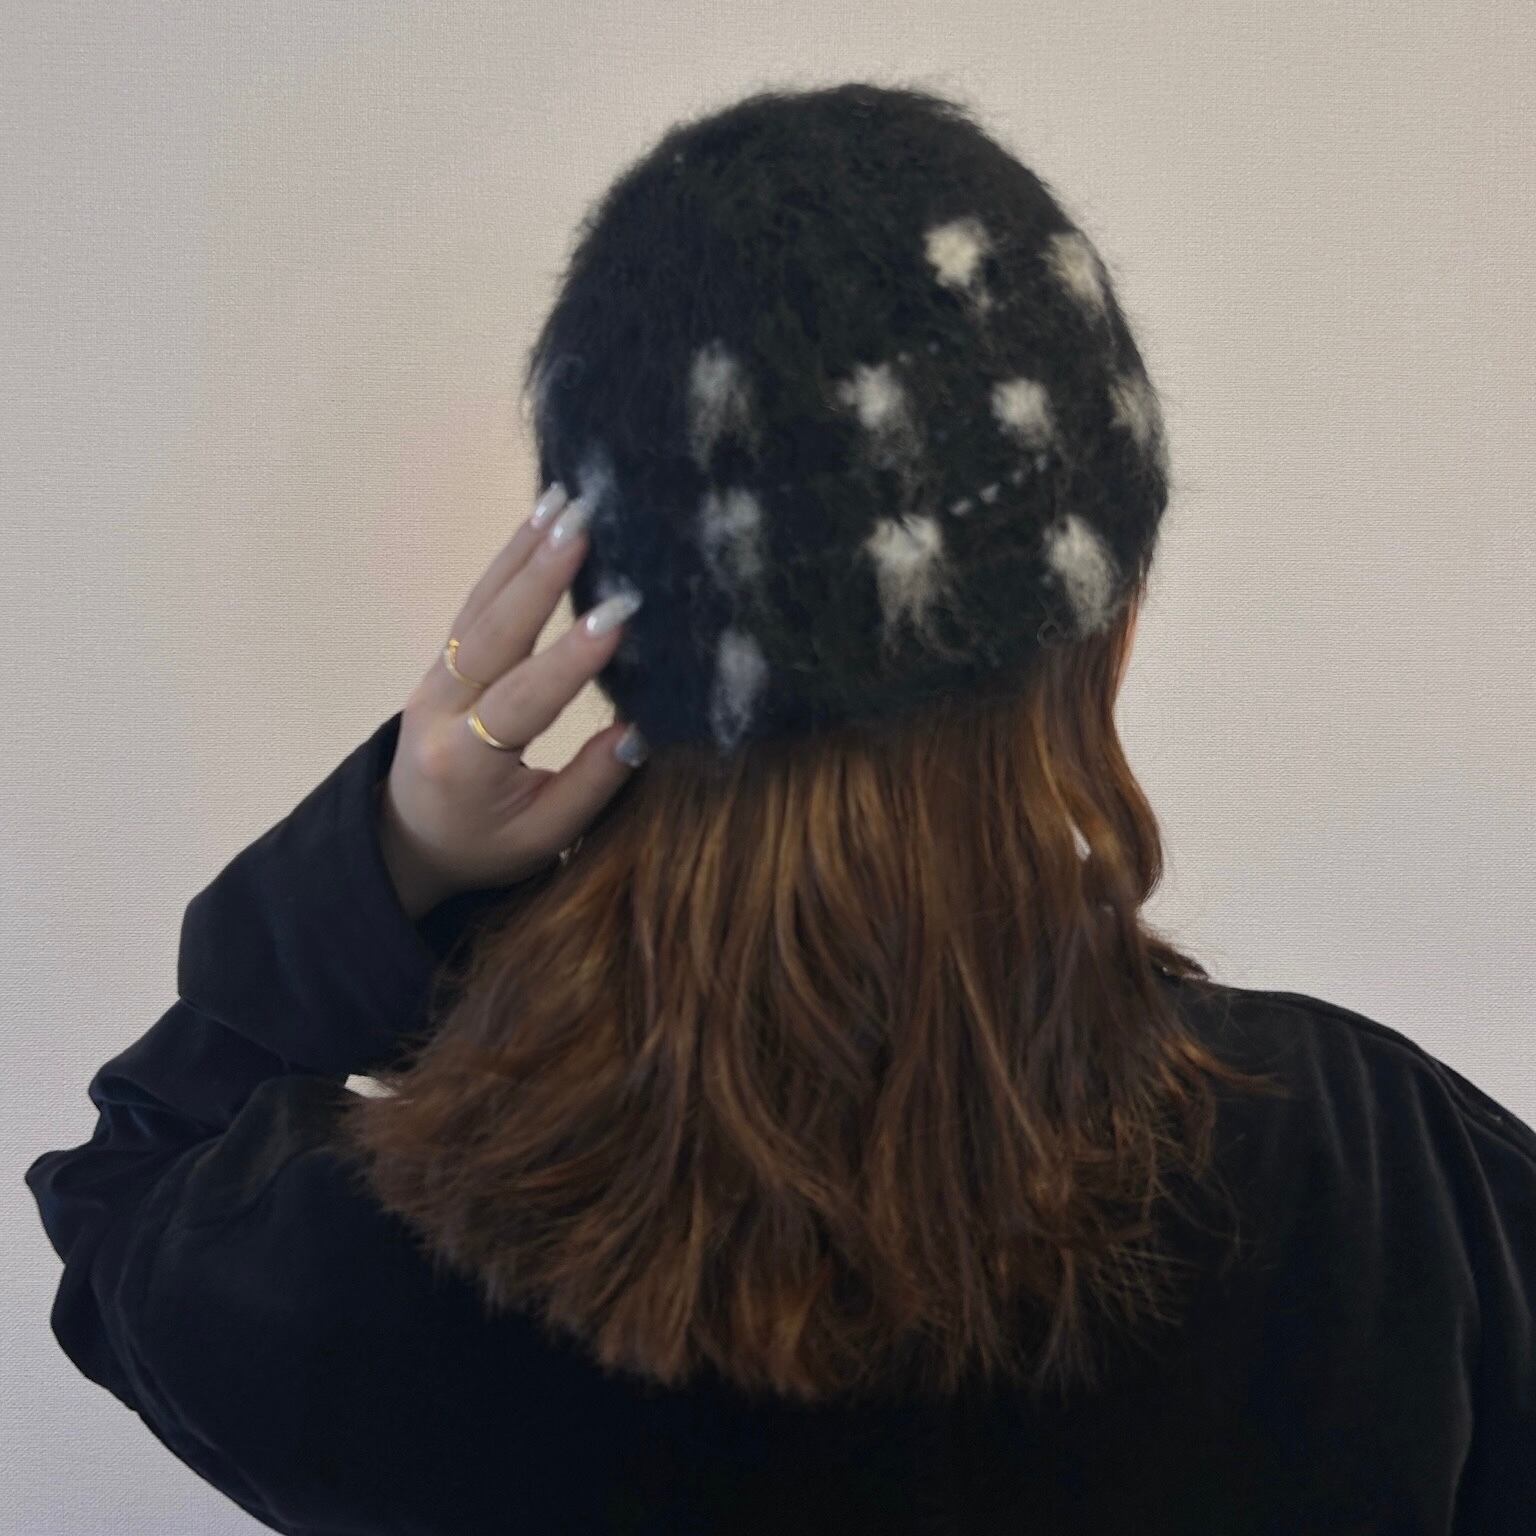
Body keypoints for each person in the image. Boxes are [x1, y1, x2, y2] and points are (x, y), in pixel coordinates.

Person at [24, 80, 1535, 1535]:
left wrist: (396, 861)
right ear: (1107, 624)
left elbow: (128, 1174)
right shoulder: (1380, 1190)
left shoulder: (379, 1266)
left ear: (607, 639)